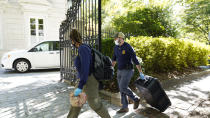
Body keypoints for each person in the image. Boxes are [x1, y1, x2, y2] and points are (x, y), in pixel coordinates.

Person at [67, 29, 111, 118]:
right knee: (75, 101)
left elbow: (85, 68)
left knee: (95, 104)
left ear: (72, 40)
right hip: (83, 79)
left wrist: (80, 85)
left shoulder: (83, 48)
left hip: (89, 80)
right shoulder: (82, 48)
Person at [112, 32, 145, 113]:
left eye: (116, 38)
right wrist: (110, 69)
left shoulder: (128, 47)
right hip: (119, 70)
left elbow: (135, 60)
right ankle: (125, 107)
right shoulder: (116, 47)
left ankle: (135, 99)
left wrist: (140, 72)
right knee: (121, 89)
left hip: (128, 70)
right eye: (115, 38)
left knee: (123, 87)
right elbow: (114, 59)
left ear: (121, 38)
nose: (115, 40)